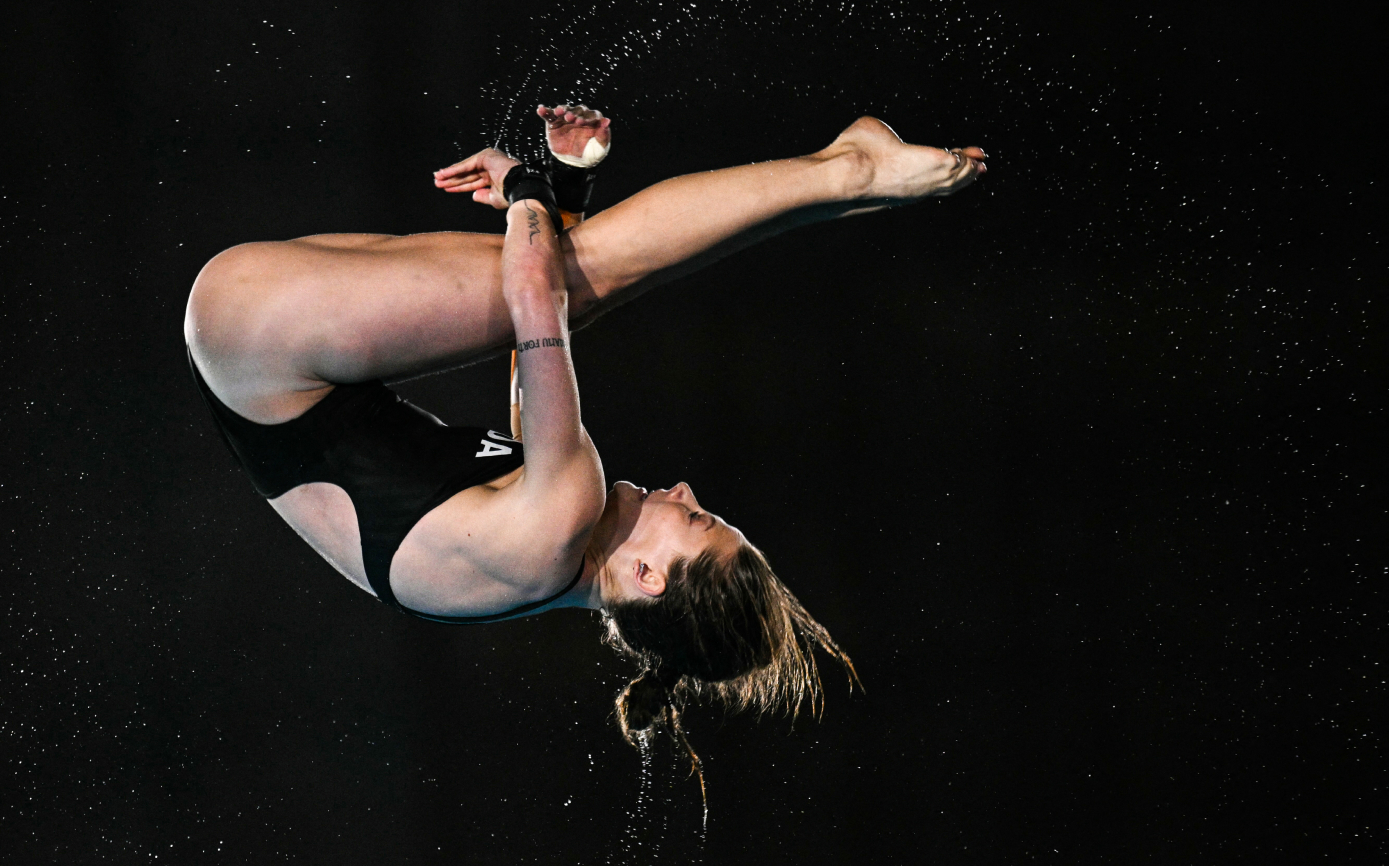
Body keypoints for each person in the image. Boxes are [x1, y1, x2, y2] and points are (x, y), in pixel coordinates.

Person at [184, 105, 986, 766]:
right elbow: (528, 356)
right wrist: (562, 191)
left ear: (645, 576)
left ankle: (854, 171)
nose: (686, 493)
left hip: (265, 332)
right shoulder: (542, 556)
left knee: (580, 272)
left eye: (697, 521)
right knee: (576, 274)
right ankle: (848, 180)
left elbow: (535, 293)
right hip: (252, 350)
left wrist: (527, 183)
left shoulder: (566, 513)